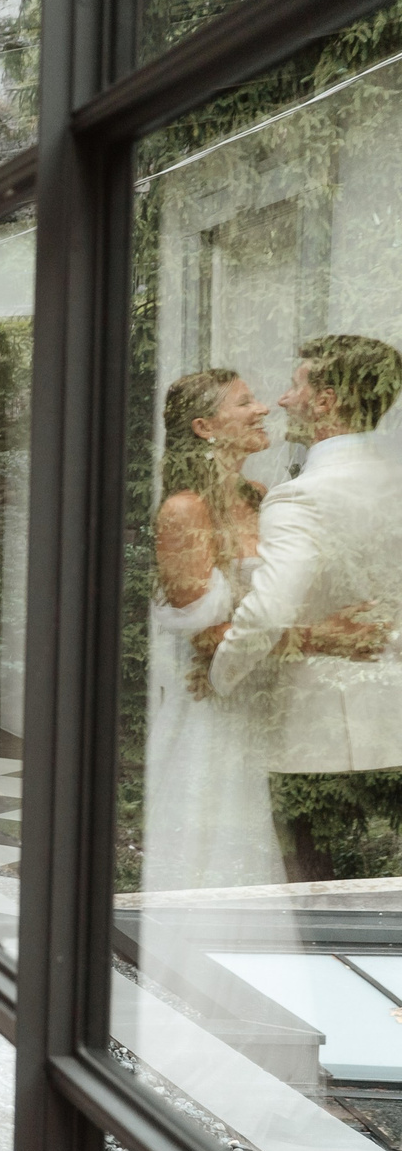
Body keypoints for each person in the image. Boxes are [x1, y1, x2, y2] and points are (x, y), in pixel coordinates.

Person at [204, 336, 402, 882]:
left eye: (297, 387)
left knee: (311, 889)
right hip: (391, 720)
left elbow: (269, 613)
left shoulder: (302, 497)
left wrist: (220, 676)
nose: (283, 400)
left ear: (326, 401)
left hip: (317, 738)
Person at [142, 370, 284, 892]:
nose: (262, 408)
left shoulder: (261, 497)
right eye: (245, 402)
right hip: (208, 709)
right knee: (212, 855)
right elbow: (201, 635)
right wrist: (315, 639)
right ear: (204, 427)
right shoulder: (185, 510)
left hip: (259, 700)